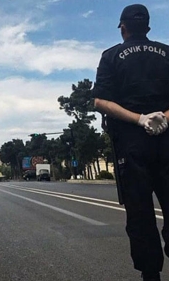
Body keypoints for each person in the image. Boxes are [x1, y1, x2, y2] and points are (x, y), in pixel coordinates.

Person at [92, 4, 169, 281]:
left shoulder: (111, 56)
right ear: (147, 27)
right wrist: (163, 119)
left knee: (141, 214)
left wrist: (139, 120)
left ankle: (151, 275)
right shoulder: (167, 53)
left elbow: (101, 101)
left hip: (131, 145)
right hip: (167, 140)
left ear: (123, 28)